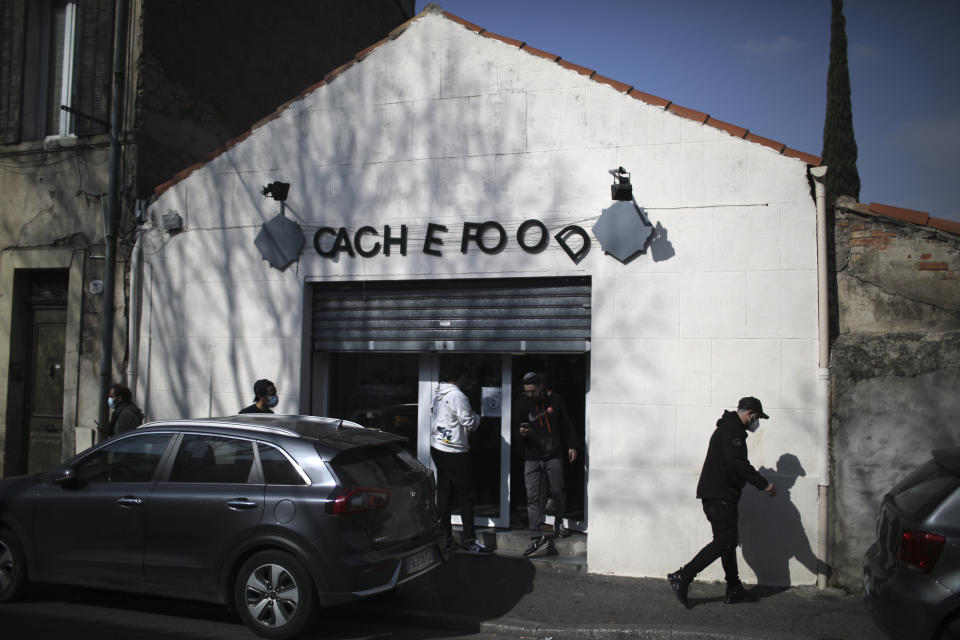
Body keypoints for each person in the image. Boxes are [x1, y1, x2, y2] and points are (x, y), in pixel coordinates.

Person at [668, 396, 777, 607]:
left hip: (719, 495)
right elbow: (737, 464)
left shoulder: (728, 429)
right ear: (750, 414)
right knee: (724, 542)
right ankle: (683, 576)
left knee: (728, 541)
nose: (757, 422)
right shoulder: (732, 431)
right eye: (757, 417)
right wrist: (763, 484)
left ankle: (734, 588)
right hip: (720, 496)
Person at [430, 361, 493, 556]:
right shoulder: (458, 396)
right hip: (455, 450)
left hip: (438, 447)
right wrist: (478, 417)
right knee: (466, 496)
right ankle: (469, 540)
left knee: (444, 494)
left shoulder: (438, 394)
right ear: (459, 377)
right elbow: (469, 423)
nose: (467, 379)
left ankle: (446, 538)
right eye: (465, 376)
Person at [514, 372, 578, 558]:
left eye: (533, 391)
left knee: (557, 490)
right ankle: (536, 536)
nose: (530, 395)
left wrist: (571, 445)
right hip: (532, 456)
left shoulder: (554, 400)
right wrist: (521, 434)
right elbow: (515, 429)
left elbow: (566, 423)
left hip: (553, 453)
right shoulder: (522, 403)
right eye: (527, 391)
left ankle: (558, 522)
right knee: (532, 497)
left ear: (541, 386)